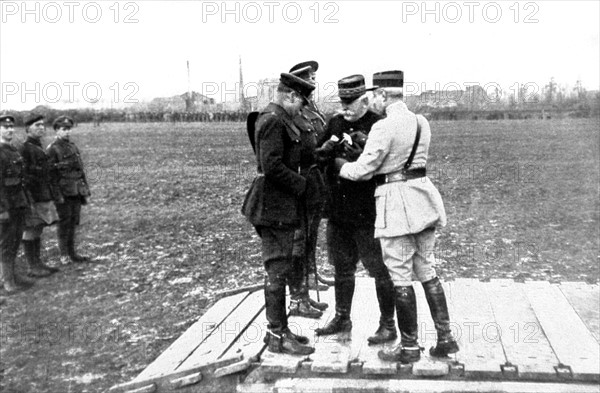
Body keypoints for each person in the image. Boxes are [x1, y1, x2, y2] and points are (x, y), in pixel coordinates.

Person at [336, 70, 459, 363]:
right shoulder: (421, 121)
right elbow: (403, 156)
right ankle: (446, 338)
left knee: (400, 277)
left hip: (395, 205)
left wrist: (339, 165)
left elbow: (364, 169)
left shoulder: (383, 126)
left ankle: (409, 347)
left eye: (373, 96)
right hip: (424, 201)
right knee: (427, 270)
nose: (371, 101)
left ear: (382, 95)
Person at [313, 75, 397, 344]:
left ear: (365, 100)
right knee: (342, 268)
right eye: (343, 102)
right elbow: (318, 156)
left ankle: (388, 324)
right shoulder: (335, 122)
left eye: (351, 103)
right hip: (339, 210)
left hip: (369, 212)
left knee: (380, 269)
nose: (346, 108)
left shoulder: (378, 124)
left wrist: (359, 154)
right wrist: (328, 153)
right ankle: (342, 317)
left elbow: (387, 166)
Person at [241, 72, 318, 355]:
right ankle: (277, 334)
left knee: (280, 266)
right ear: (290, 96)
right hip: (272, 206)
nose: (302, 108)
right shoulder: (273, 120)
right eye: (301, 102)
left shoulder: (279, 118)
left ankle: (278, 330)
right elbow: (271, 165)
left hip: (278, 204)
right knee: (277, 268)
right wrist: (302, 185)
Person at [287, 60, 329, 319]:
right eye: (309, 78)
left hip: (315, 181)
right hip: (303, 182)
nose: (313, 81)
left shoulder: (312, 109)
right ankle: (299, 294)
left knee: (311, 235)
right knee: (298, 241)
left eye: (314, 77)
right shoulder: (294, 112)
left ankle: (309, 278)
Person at [19, 114, 61, 277]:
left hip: (43, 193)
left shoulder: (37, 146)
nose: (41, 127)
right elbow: (23, 174)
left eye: (43, 125)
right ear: (28, 129)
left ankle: (38, 263)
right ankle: (32, 266)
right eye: (37, 125)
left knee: (38, 228)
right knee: (31, 228)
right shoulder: (25, 148)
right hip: (33, 195)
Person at [47, 116, 91, 264]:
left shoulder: (72, 146)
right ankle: (64, 254)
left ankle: (72, 253)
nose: (67, 132)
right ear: (57, 130)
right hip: (63, 192)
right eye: (63, 129)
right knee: (64, 222)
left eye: (68, 129)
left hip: (76, 190)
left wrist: (86, 189)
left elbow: (80, 170)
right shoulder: (53, 149)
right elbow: (51, 176)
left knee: (73, 221)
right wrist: (57, 195)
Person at [0, 114, 35, 293]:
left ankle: (12, 274)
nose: (10, 129)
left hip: (19, 202)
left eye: (11, 126)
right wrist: (2, 210)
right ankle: (6, 280)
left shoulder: (12, 150)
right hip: (6, 206)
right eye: (5, 127)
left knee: (15, 240)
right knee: (6, 242)